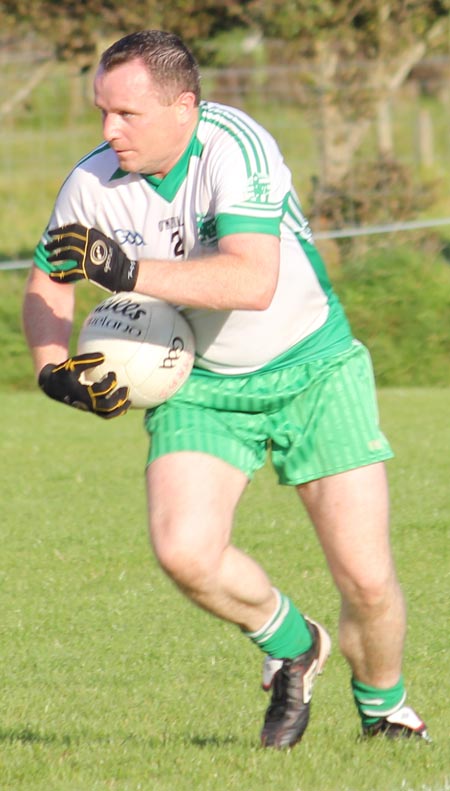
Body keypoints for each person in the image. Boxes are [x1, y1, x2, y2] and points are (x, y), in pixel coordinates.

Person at [23, 29, 429, 748]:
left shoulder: (235, 145)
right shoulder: (92, 183)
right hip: (201, 386)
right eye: (101, 112)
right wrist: (52, 366)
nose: (108, 130)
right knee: (184, 550)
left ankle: (386, 710)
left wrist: (127, 271)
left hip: (315, 367)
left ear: (184, 107)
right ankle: (294, 642)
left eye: (127, 115)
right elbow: (50, 278)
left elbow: (251, 279)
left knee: (367, 578)